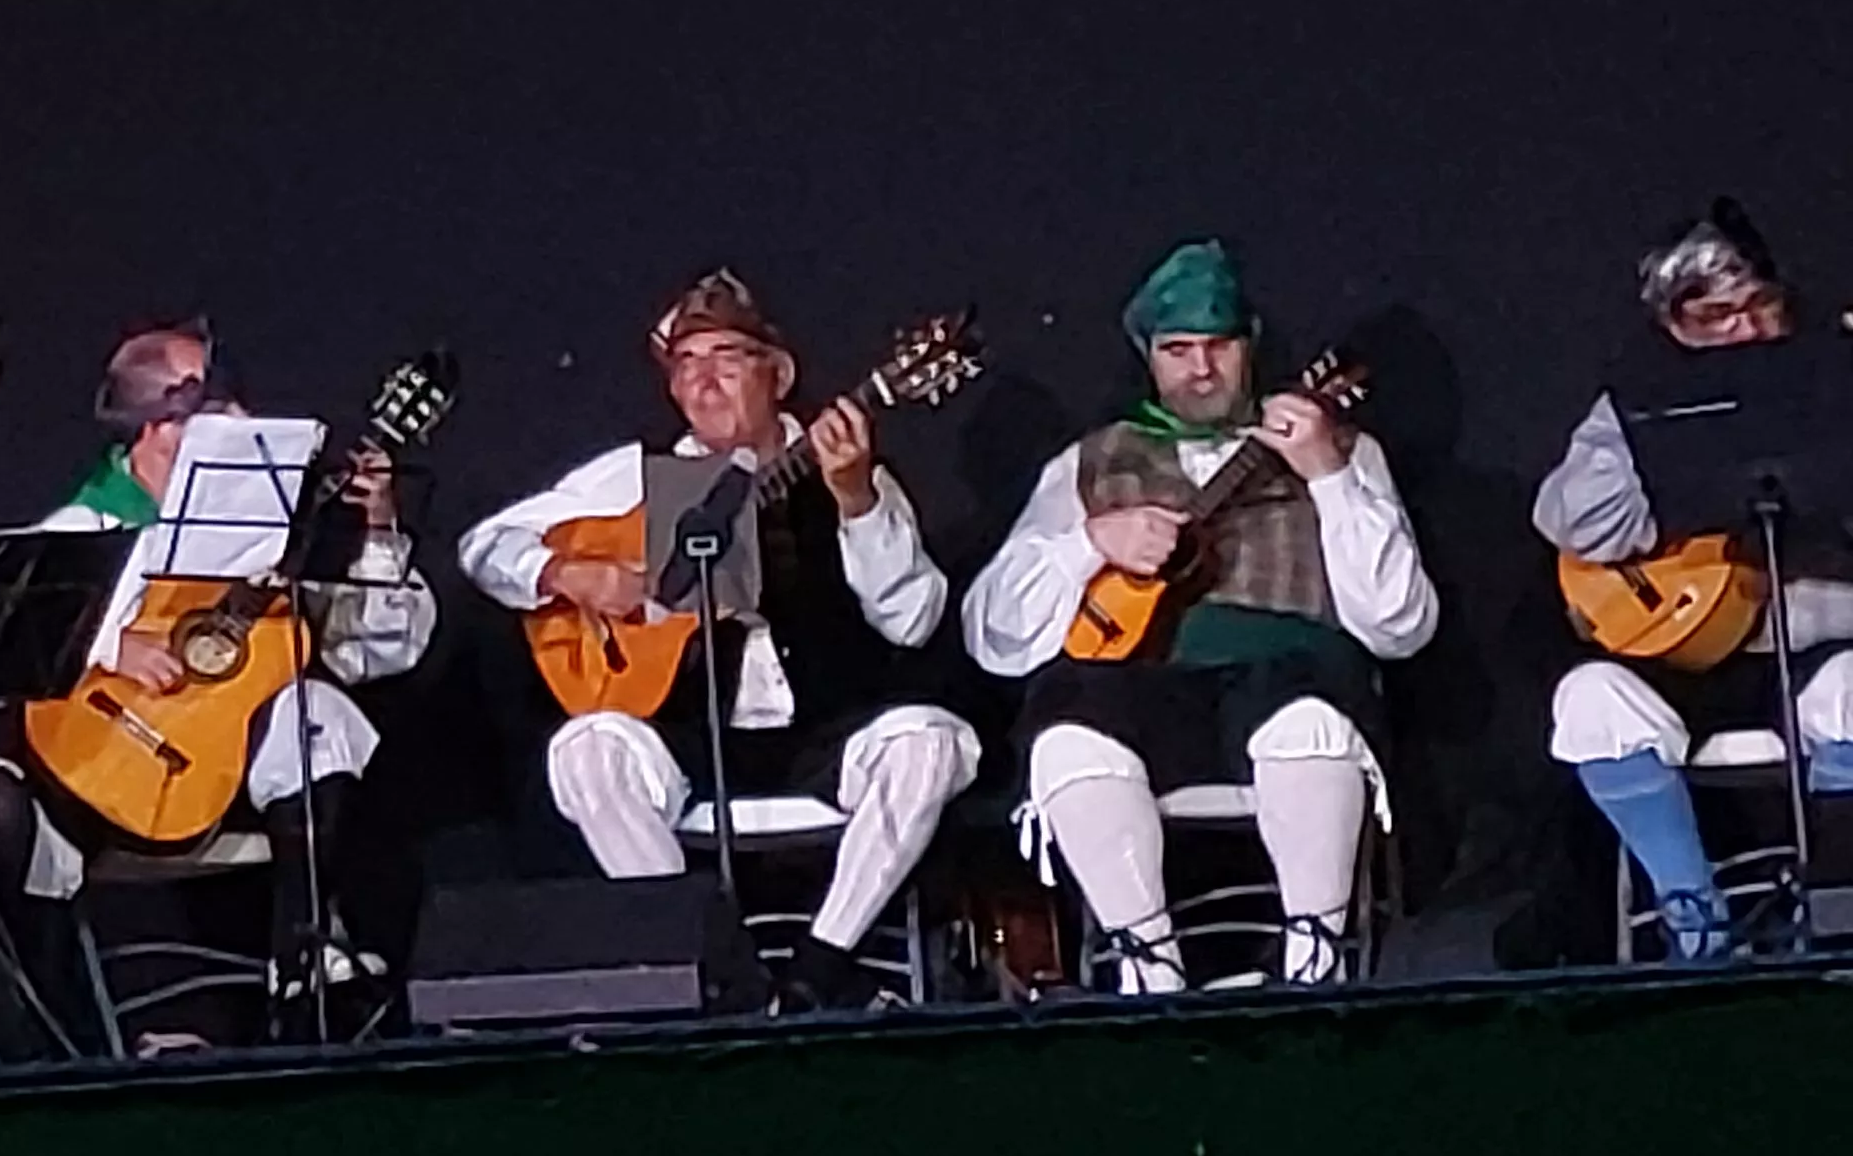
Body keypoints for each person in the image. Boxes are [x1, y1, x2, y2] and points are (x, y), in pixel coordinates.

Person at [0, 322, 427, 1043]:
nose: (237, 417)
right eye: (215, 401)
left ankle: (305, 958)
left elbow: (383, 649)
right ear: (161, 429)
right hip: (95, 783)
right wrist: (104, 644)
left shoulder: (275, 532)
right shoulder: (88, 522)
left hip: (225, 781)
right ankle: (22, 1032)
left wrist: (378, 531)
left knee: (318, 711)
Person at [459, 273, 979, 1010]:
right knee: (583, 750)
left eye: (726, 356)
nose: (702, 378)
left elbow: (913, 618)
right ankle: (713, 968)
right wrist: (572, 574)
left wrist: (857, 498)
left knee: (930, 743)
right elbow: (485, 548)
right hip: (692, 735)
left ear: (779, 373)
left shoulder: (845, 472)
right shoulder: (634, 480)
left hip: (820, 735)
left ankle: (819, 967)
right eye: (684, 363)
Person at [963, 239, 1438, 989]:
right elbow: (994, 636)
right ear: (1148, 358)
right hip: (1148, 692)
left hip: (1285, 675)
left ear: (1248, 347)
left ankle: (1311, 971)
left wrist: (1330, 476)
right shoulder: (1093, 461)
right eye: (1177, 349)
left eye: (1217, 346)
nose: (1200, 369)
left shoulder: (1339, 448)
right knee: (1067, 732)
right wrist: (1090, 543)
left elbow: (1401, 625)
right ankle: (1150, 975)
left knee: (1305, 718)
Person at [1531, 200, 1853, 958]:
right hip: (1681, 646)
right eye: (1714, 317)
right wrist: (1686, 495)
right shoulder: (1644, 398)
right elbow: (1565, 518)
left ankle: (1839, 912)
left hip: (1813, 641)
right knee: (1588, 702)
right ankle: (1696, 931)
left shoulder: (1832, 383)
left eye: (1756, 309)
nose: (1742, 331)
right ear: (1675, 328)